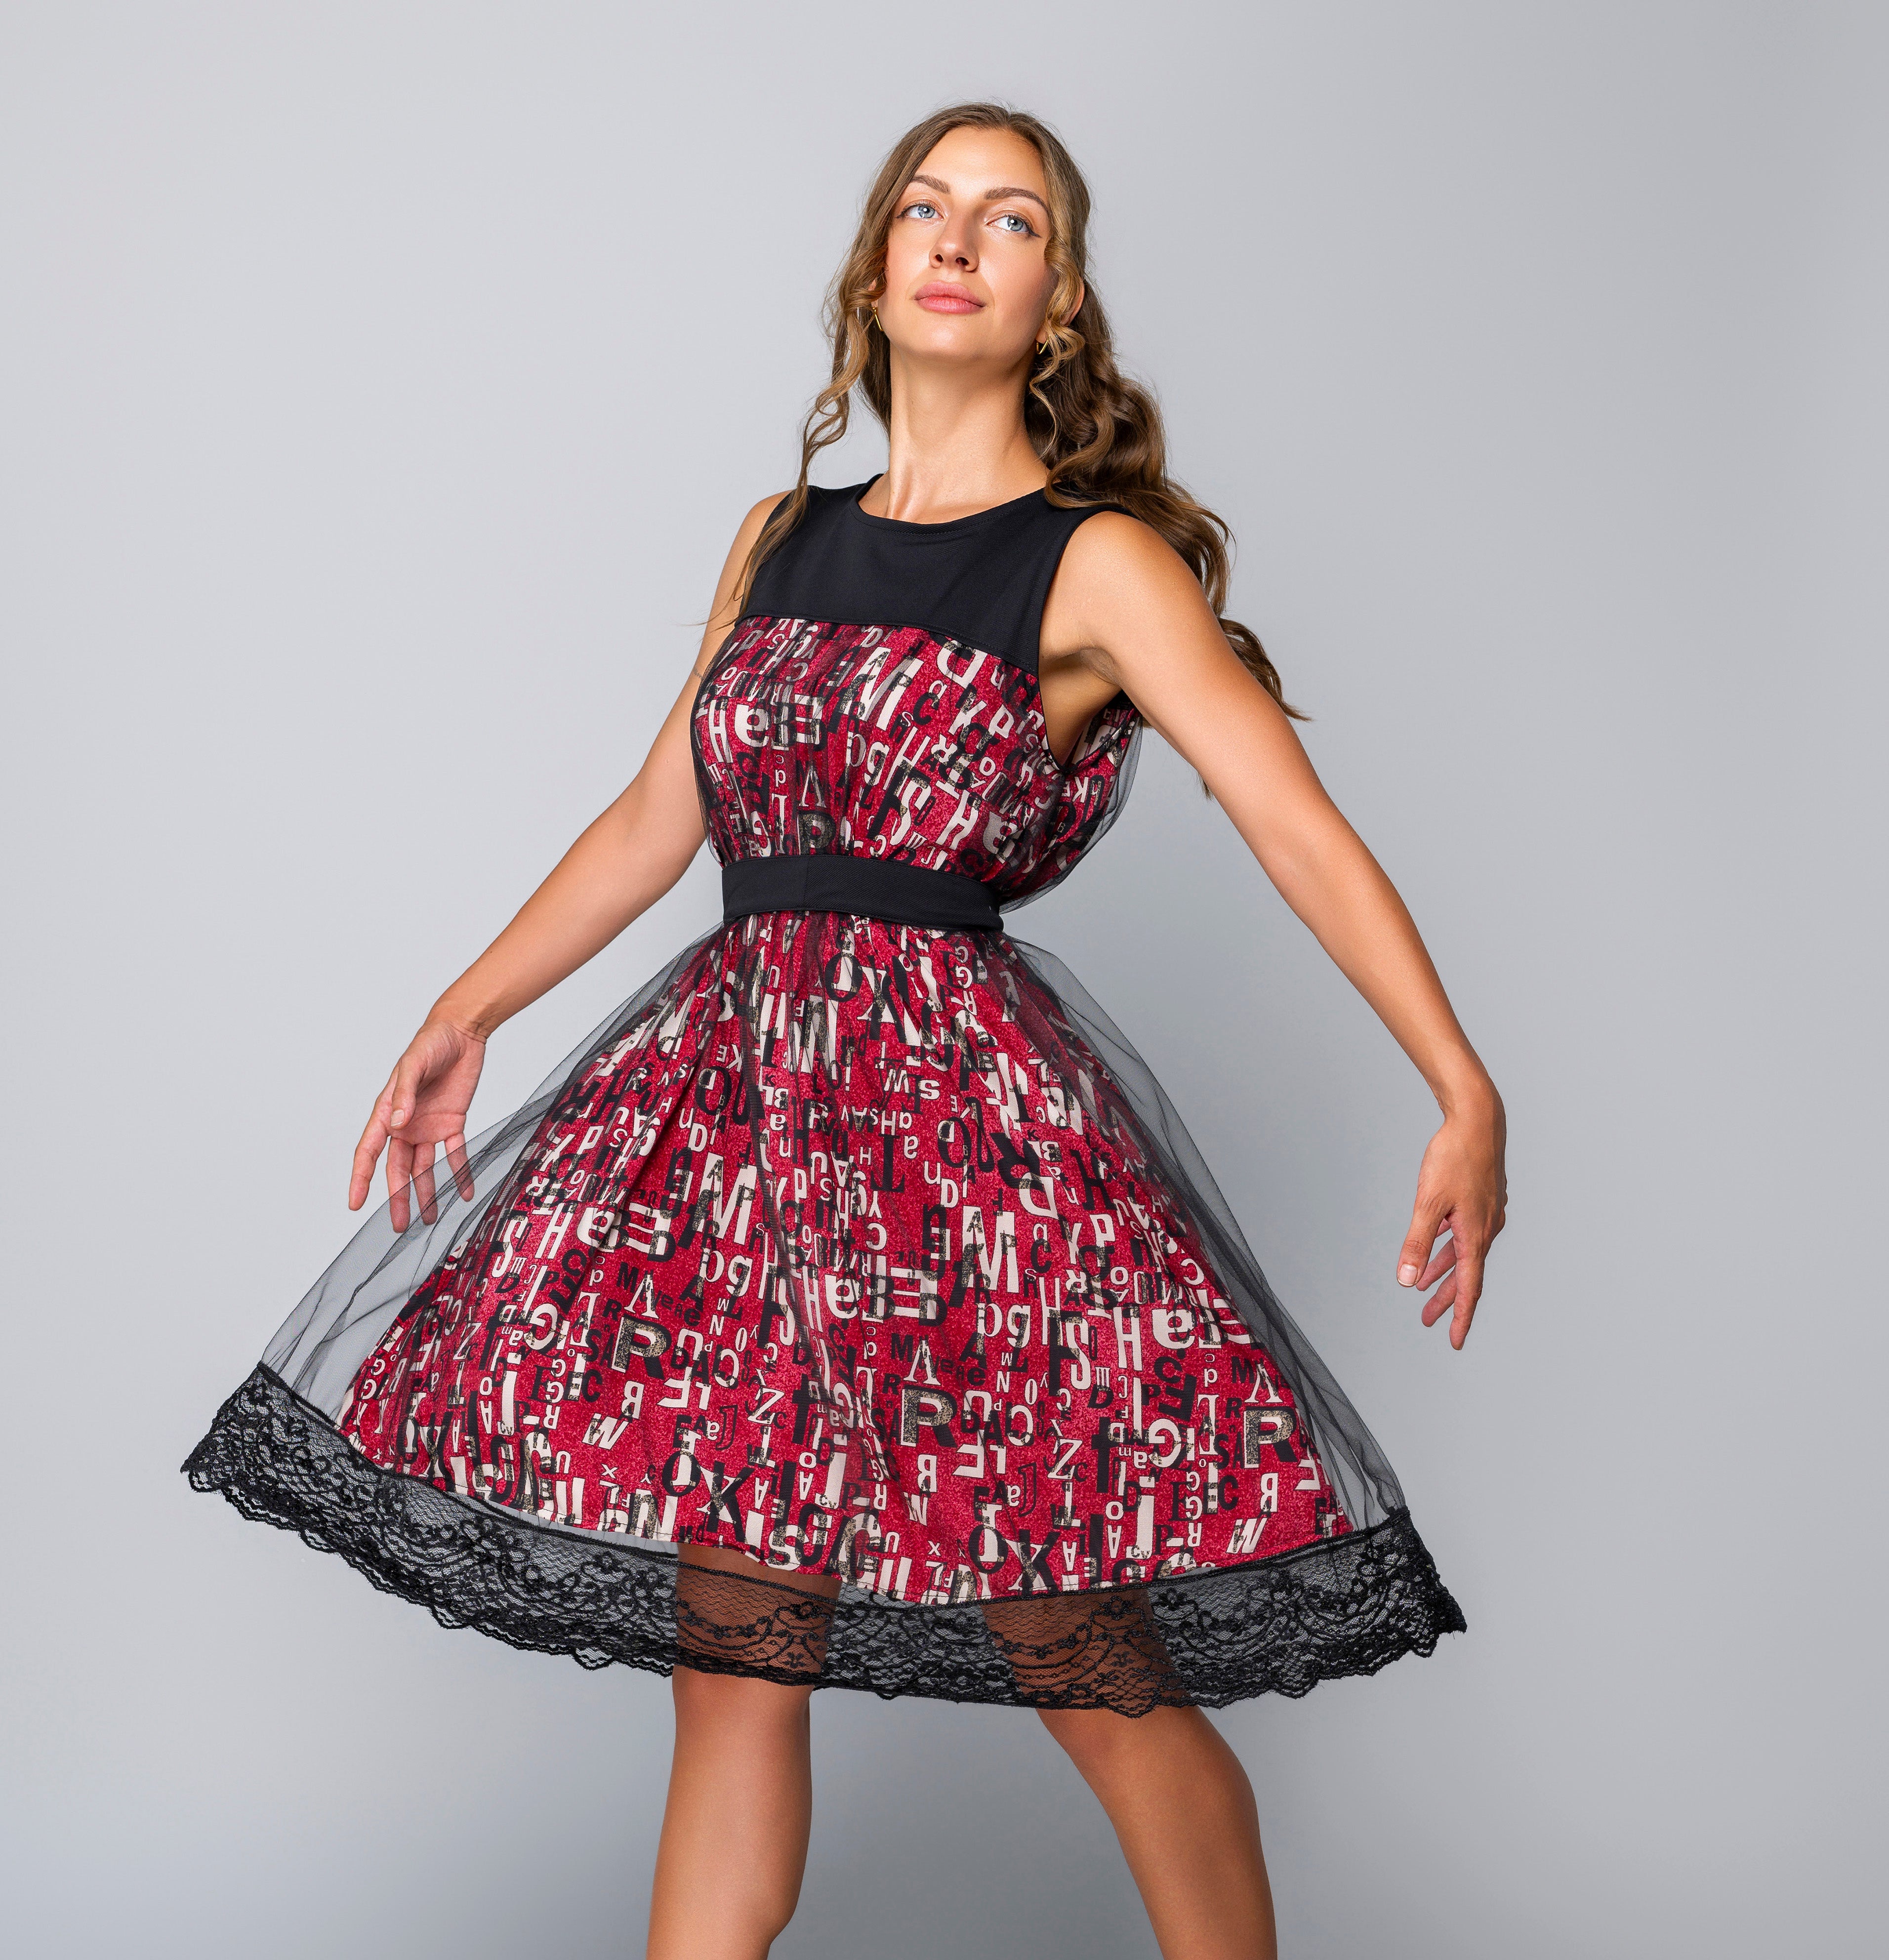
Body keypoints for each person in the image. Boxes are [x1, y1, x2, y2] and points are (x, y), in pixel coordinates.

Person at [186, 102, 1506, 1960]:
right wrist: (464, 1008)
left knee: (1079, 1652)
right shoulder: (775, 538)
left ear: (1057, 301)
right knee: (732, 1669)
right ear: (880, 267)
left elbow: (1294, 824)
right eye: (927, 206)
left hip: (956, 1165)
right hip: (731, 1153)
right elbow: (664, 817)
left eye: (1013, 219)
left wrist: (1461, 1083)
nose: (959, 239)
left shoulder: (1095, 564)